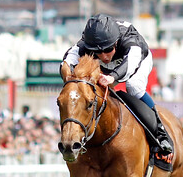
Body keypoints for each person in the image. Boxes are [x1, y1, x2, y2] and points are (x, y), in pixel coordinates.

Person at [63, 14, 172, 154]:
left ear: (115, 42)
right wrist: (67, 75)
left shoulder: (130, 41)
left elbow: (131, 64)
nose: (104, 56)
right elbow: (67, 60)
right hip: (111, 68)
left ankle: (160, 132)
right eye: (97, 52)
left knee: (133, 87)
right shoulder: (85, 43)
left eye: (108, 49)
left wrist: (112, 77)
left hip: (137, 60)